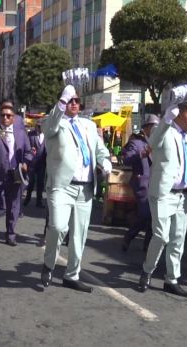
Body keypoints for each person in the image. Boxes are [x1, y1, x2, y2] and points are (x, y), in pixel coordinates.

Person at [40, 84, 111, 293]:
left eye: (76, 100)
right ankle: (49, 263)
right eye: (69, 100)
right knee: (58, 227)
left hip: (85, 188)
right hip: (62, 186)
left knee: (79, 234)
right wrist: (62, 100)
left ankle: (72, 275)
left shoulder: (88, 125)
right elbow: (50, 126)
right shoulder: (53, 122)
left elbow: (100, 149)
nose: (73, 103)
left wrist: (105, 161)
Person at [138, 100, 187, 298]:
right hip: (163, 193)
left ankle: (172, 279)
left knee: (178, 240)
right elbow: (152, 142)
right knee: (161, 236)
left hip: (183, 196)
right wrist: (166, 117)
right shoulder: (164, 132)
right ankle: (147, 271)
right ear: (179, 114)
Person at [0, 104, 32, 246]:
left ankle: (10, 233)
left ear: (14, 118)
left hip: (15, 175)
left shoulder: (21, 134)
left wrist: (25, 163)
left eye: (8, 115)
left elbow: (28, 153)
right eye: (3, 115)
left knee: (13, 206)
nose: (5, 118)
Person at [121, 114, 159, 252]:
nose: (156, 130)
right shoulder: (136, 143)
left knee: (153, 217)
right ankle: (129, 236)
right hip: (142, 183)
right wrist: (140, 154)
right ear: (146, 128)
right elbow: (126, 159)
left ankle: (147, 246)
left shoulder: (159, 143)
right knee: (144, 214)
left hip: (157, 184)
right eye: (153, 127)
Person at [24, 121, 46, 208]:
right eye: (39, 126)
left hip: (42, 163)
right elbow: (26, 146)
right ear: (36, 126)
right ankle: (27, 199)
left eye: (41, 127)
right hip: (32, 162)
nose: (40, 128)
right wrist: (30, 148)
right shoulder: (30, 134)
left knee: (40, 183)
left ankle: (39, 202)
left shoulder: (46, 135)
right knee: (31, 182)